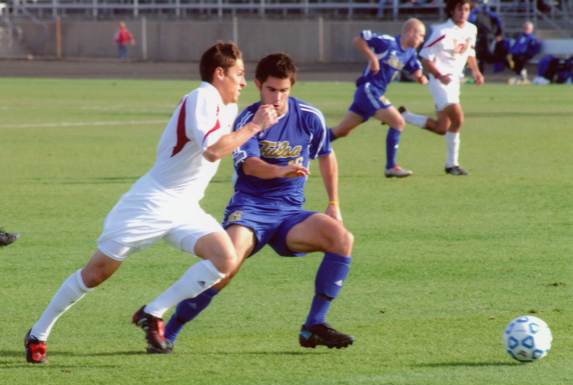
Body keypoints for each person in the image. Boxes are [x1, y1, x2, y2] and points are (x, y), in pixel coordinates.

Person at [24, 42, 278, 364]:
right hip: (151, 202)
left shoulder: (223, 106)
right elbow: (213, 150)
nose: (243, 82)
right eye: (239, 74)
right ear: (219, 74)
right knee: (95, 274)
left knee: (225, 259)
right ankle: (38, 333)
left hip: (185, 207)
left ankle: (152, 312)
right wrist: (255, 126)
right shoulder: (203, 96)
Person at [144, 52, 356, 353]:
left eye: (284, 90)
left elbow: (326, 154)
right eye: (271, 89)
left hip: (290, 213)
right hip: (251, 208)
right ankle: (171, 330)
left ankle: (313, 326)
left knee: (342, 239)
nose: (278, 97)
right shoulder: (248, 119)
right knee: (223, 267)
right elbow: (249, 165)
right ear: (258, 85)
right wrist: (279, 170)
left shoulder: (310, 116)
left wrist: (333, 202)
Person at [329, 19, 428, 179]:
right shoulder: (388, 42)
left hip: (371, 94)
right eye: (421, 35)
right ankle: (391, 166)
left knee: (342, 131)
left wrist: (420, 78)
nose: (422, 40)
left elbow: (416, 70)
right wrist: (373, 58)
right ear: (411, 32)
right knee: (398, 121)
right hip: (369, 89)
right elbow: (358, 40)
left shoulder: (409, 52)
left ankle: (307, 148)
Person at [400, 0, 484, 176]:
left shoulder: (471, 29)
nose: (463, 12)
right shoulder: (441, 31)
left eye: (466, 9)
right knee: (458, 119)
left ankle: (404, 116)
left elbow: (470, 53)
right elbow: (425, 58)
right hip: (440, 84)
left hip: (454, 83)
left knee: (441, 128)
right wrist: (438, 75)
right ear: (452, 11)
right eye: (459, 9)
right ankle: (451, 165)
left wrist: (476, 72)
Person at [468, 1, 503, 73]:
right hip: (489, 36)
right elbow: (498, 20)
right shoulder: (487, 12)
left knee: (486, 56)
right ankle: (480, 74)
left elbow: (468, 23)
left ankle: (504, 60)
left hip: (482, 37)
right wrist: (498, 33)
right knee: (481, 56)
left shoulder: (473, 13)